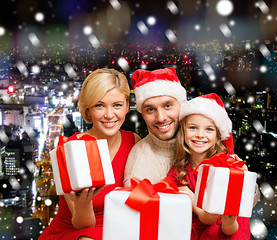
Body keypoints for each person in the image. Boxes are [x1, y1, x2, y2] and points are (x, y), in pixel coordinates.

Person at [39, 68, 140, 240]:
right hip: (76, 231)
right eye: (99, 105)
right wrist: (84, 203)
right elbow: (81, 225)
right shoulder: (72, 149)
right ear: (88, 111)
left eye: (117, 105)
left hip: (117, 229)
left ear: (126, 107)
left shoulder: (134, 141)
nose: (109, 115)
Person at [167, 93, 252, 239]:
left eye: (209, 129)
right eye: (193, 127)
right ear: (183, 131)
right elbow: (205, 217)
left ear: (218, 135)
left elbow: (233, 228)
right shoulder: (178, 173)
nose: (200, 135)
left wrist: (229, 221)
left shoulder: (229, 167)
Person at [123, 67, 187, 186]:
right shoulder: (138, 165)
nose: (161, 118)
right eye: (150, 109)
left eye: (167, 106)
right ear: (142, 114)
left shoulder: (200, 144)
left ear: (181, 105)